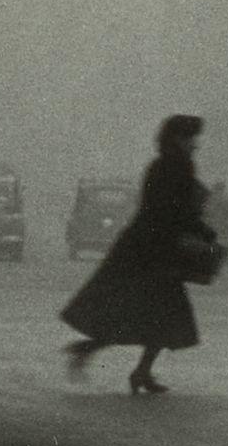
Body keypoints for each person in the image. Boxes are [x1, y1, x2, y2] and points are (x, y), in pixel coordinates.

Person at [59, 114, 214, 395]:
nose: (195, 145)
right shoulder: (176, 167)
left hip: (144, 248)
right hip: (154, 253)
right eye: (192, 139)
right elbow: (174, 211)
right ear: (180, 139)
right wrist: (202, 231)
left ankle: (125, 364)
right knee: (155, 314)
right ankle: (126, 365)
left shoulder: (160, 166)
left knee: (145, 313)